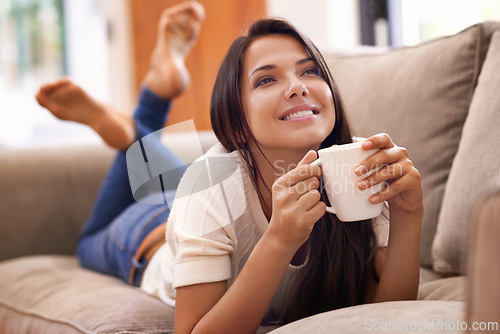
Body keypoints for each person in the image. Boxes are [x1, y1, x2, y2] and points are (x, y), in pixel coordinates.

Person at [36, 2, 424, 333]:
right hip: (147, 235)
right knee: (89, 243)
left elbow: (387, 310)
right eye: (267, 78)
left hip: (199, 200)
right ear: (237, 124)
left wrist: (409, 214)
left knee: (181, 180)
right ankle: (138, 124)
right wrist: (278, 239)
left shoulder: (363, 167)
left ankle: (134, 132)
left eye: (309, 71)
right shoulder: (208, 184)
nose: (298, 86)